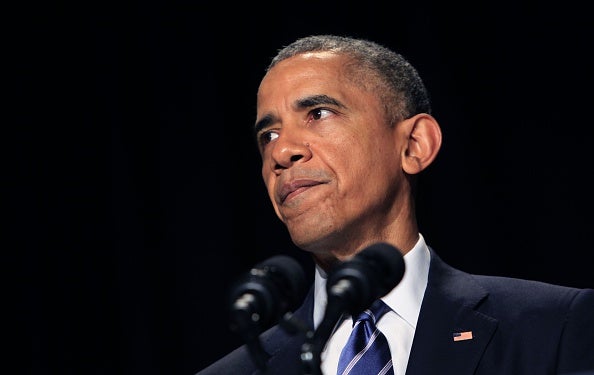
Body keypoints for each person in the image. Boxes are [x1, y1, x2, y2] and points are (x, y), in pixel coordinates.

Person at [197, 34, 594, 375]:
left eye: (318, 113)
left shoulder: (552, 327)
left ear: (414, 145)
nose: (282, 152)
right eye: (267, 135)